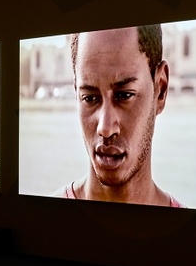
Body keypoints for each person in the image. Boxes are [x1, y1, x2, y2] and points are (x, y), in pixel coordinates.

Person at [55, 25, 184, 206]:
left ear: (160, 90)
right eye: (90, 98)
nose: (105, 129)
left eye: (124, 95)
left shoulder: (195, 233)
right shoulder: (43, 220)